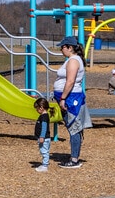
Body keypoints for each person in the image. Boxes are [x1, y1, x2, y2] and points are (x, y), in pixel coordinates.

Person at [53, 36, 92, 169]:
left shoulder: (73, 61)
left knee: (74, 128)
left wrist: (63, 98)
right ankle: (73, 157)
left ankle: (74, 159)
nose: (61, 49)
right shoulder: (72, 60)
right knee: (72, 127)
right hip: (69, 96)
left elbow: (70, 81)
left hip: (71, 98)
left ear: (69, 47)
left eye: (62, 47)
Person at [33, 98, 53, 172]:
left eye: (37, 108)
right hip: (45, 138)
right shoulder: (44, 116)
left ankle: (45, 166)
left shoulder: (44, 117)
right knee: (44, 151)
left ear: (41, 108)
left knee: (44, 151)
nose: (36, 110)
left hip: (44, 138)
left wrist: (42, 136)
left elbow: (44, 127)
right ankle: (44, 164)